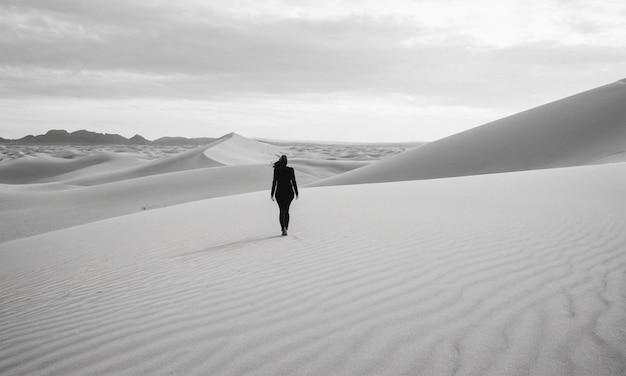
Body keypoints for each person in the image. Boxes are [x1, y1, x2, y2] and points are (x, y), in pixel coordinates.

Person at [271, 155, 298, 236]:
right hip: (289, 192)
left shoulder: (277, 170)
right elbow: (294, 182)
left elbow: (274, 182)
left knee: (282, 210)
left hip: (279, 192)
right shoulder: (290, 170)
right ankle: (286, 227)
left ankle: (283, 229)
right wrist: (296, 192)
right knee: (286, 210)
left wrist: (272, 193)